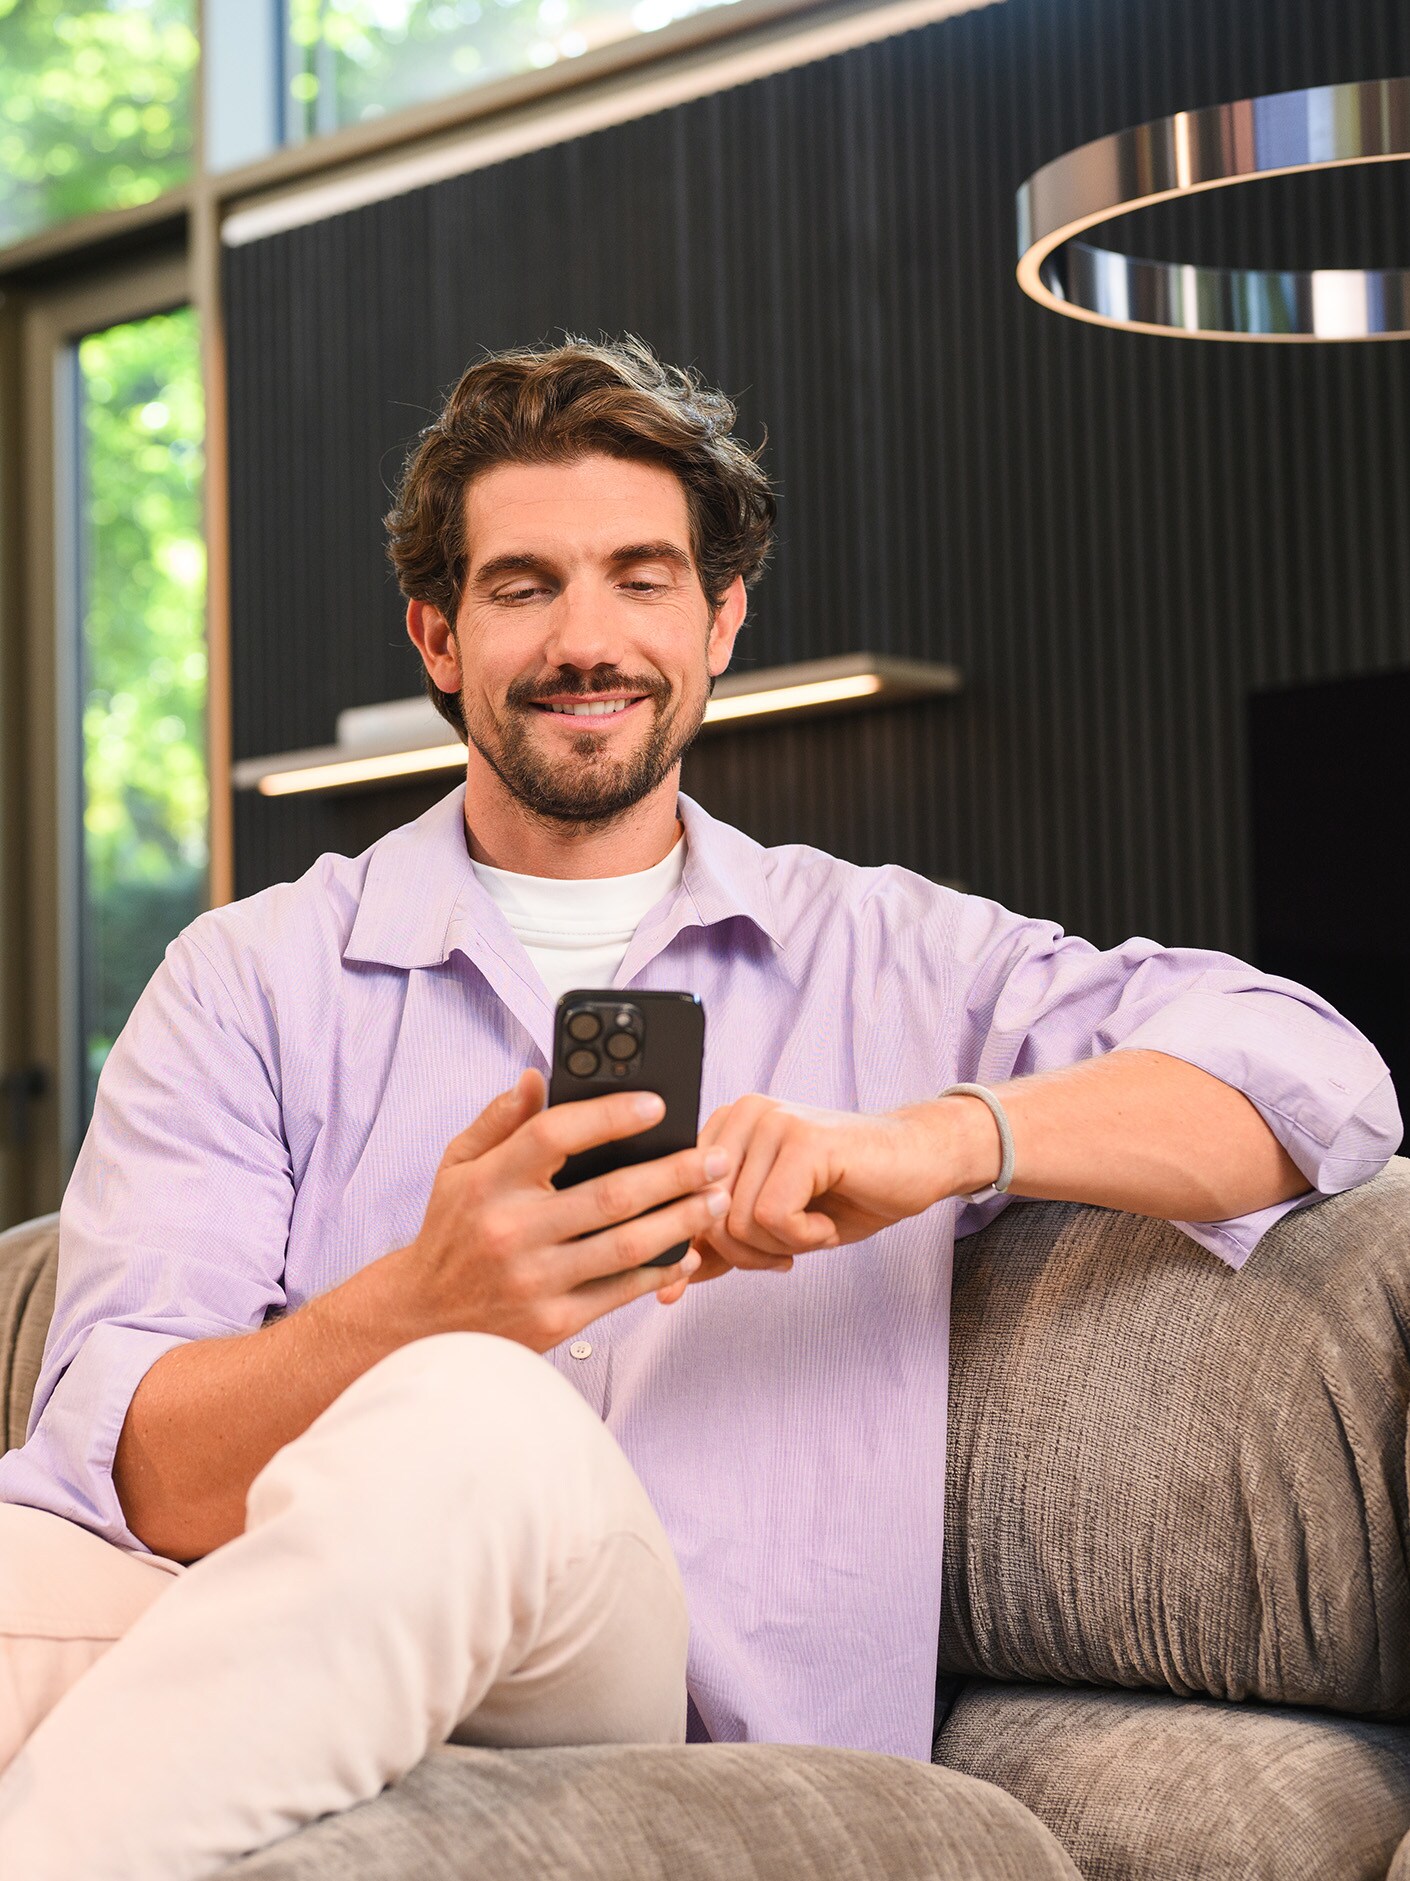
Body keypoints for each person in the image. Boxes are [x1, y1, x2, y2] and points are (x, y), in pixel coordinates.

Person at [0, 336, 1398, 1879]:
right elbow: (131, 1471)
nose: (583, 636)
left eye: (641, 577)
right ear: (437, 636)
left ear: (719, 620)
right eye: (522, 584)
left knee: (468, 1415)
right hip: (303, 1623)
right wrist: (424, 1298)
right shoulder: (250, 979)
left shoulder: (894, 953)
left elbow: (1312, 1072)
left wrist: (932, 1137)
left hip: (661, 1693)